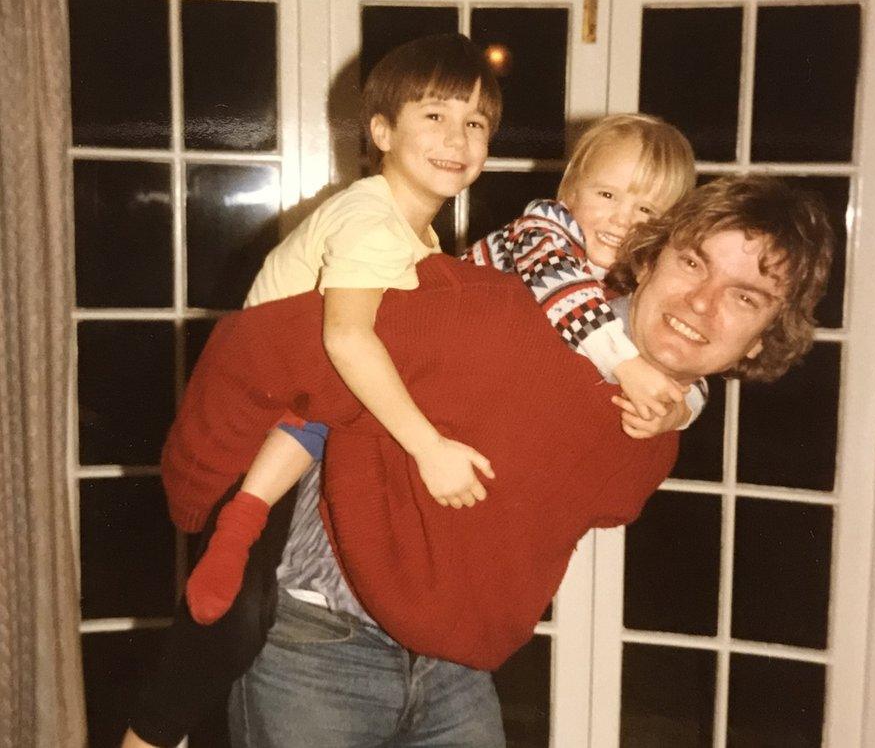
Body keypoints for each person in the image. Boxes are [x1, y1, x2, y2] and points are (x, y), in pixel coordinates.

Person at [154, 175, 833, 747]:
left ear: (761, 341)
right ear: (649, 258)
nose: (701, 304)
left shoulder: (660, 426)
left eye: (745, 298)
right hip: (321, 648)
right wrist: (199, 501)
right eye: (693, 262)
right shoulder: (497, 313)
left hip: (457, 673)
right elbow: (260, 348)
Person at [185, 113, 704, 624]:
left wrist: (676, 411)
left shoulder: (630, 284)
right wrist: (627, 365)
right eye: (607, 196)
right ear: (571, 188)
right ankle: (243, 518)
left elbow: (686, 368)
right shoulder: (544, 227)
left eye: (646, 211)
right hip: (413, 354)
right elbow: (560, 287)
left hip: (461, 411)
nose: (621, 220)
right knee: (323, 411)